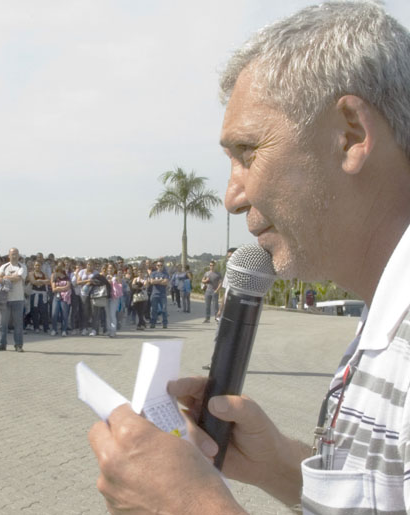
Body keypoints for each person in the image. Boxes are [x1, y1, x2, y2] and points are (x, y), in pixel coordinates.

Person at [89, 3, 410, 513]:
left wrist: (192, 506)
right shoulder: (387, 320)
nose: (232, 197)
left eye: (247, 152)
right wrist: (276, 465)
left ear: (350, 134)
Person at [0, 247, 27, 352]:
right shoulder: (4, 266)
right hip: (5, 298)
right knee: (2, 323)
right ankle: (1, 344)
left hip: (18, 298)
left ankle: (18, 345)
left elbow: (19, 278)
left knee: (18, 323)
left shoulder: (22, 266)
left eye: (16, 253)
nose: (14, 255)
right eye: (12, 254)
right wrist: (11, 277)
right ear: (9, 255)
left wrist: (5, 277)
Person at [148, 260, 169, 329]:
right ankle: (153, 323)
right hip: (154, 294)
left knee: (164, 309)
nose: (159, 266)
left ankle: (165, 323)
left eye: (161, 265)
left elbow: (165, 283)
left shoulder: (165, 274)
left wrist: (156, 281)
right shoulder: (153, 273)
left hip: (162, 294)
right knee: (154, 310)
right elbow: (151, 282)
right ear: (156, 266)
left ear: (163, 266)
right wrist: (160, 281)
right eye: (158, 265)